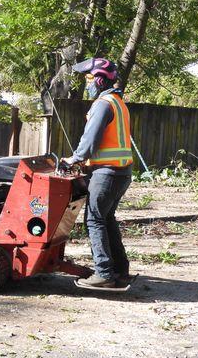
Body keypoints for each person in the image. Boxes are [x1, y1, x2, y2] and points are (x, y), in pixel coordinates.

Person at [61, 58, 133, 288]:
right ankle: (120, 270)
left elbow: (91, 139)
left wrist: (75, 159)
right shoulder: (118, 102)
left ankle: (103, 273)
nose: (87, 83)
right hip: (121, 172)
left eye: (89, 78)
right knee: (107, 219)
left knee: (94, 219)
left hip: (107, 173)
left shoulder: (103, 104)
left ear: (100, 79)